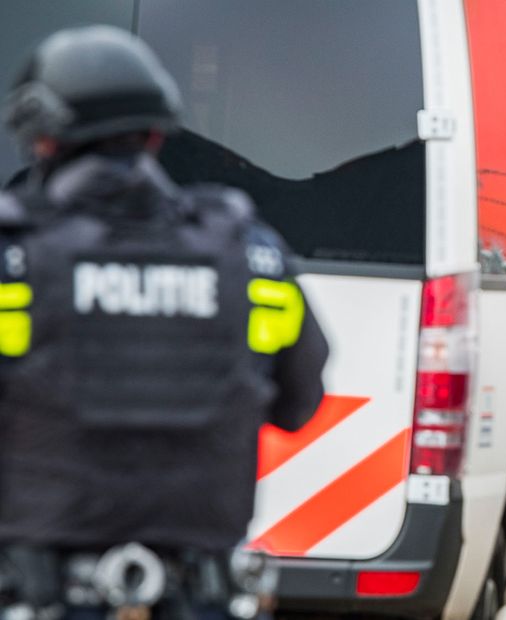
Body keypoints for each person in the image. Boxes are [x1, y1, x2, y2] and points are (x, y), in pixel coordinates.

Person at [0, 25, 328, 617]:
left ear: (44, 140)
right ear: (156, 134)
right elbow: (300, 404)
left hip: (39, 590)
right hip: (204, 591)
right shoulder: (249, 255)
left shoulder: (15, 258)